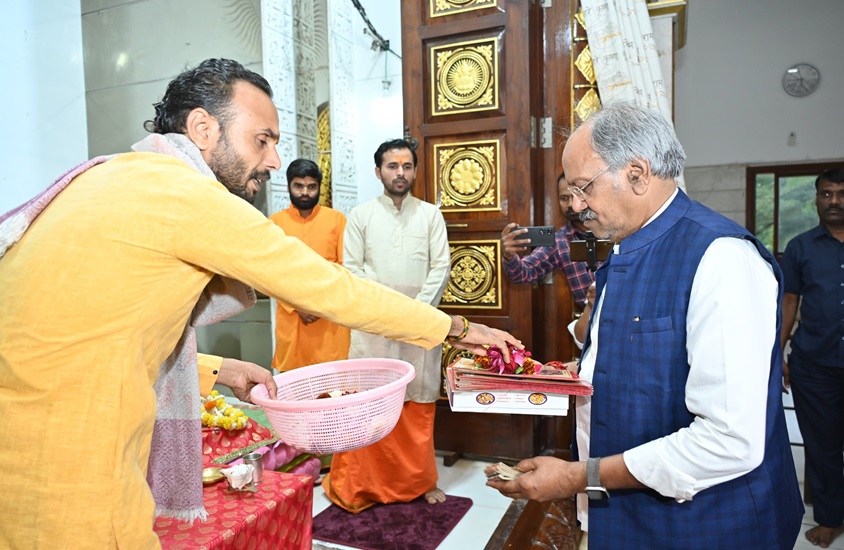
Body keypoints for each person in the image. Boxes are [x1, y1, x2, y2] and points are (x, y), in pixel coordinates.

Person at [0, 59, 521, 548]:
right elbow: (330, 286)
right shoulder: (187, 194)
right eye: (262, 139)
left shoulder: (111, 177)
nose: (273, 159)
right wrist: (455, 327)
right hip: (71, 463)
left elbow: (88, 336)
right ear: (203, 128)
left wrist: (218, 369)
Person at [486, 103, 804, 549]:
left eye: (583, 188)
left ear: (636, 173)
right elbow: (630, 357)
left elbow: (728, 440)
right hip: (631, 517)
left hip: (706, 526)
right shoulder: (624, 248)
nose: (575, 206)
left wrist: (577, 476)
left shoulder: (722, 259)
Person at [322, 138, 452, 513]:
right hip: (372, 327)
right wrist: (386, 313)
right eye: (392, 166)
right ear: (378, 171)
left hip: (420, 325)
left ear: (415, 171)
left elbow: (440, 267)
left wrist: (413, 314)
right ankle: (363, 483)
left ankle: (420, 482)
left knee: (417, 403)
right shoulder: (360, 215)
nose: (400, 173)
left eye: (407, 166)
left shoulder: (430, 215)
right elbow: (352, 270)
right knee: (370, 403)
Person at [780, 167, 844, 549]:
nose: (834, 201)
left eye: (841, 193)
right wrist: (777, 353)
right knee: (822, 445)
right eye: (826, 194)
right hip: (814, 364)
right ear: (817, 199)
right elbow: (789, 302)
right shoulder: (800, 247)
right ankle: (830, 518)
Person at [268, 158, 350, 372]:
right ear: (288, 186)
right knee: (294, 382)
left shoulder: (337, 220)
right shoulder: (275, 223)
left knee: (332, 382)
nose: (305, 192)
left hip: (328, 319)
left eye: (311, 186)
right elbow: (270, 274)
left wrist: (318, 306)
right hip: (292, 318)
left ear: (319, 188)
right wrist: (297, 306)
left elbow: (344, 270)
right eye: (298, 186)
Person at [501, 173, 595, 306]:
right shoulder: (560, 241)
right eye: (564, 198)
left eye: (576, 196)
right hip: (590, 316)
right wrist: (509, 256)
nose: (570, 204)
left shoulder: (615, 229)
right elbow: (523, 274)